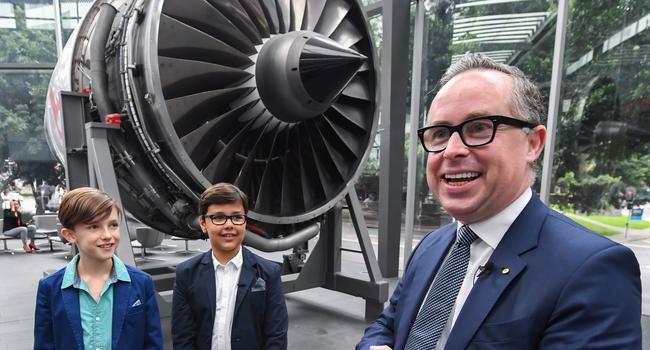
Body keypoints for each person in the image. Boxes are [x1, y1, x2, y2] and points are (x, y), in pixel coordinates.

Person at [357, 53, 641, 349]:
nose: (451, 150)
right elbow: (387, 323)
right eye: (440, 133)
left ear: (533, 143)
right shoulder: (432, 246)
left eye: (479, 127)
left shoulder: (593, 271)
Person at [34, 187, 163, 349]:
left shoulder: (142, 283)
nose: (108, 235)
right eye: (94, 226)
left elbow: (152, 344)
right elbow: (44, 344)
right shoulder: (50, 287)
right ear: (70, 235)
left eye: (113, 225)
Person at [172, 182, 288, 350]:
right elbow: (183, 337)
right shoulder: (186, 274)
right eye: (218, 217)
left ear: (245, 222)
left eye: (237, 217)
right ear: (203, 224)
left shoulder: (269, 273)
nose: (229, 225)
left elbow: (276, 336)